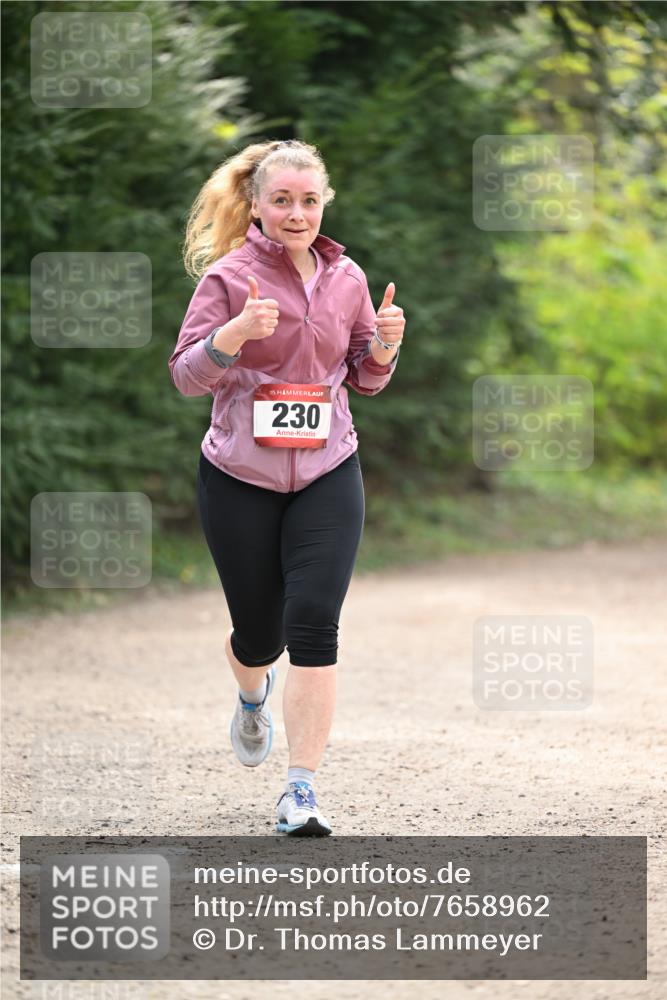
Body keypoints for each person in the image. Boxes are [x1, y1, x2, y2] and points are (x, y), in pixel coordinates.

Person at [168, 139, 405, 836]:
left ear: (323, 202)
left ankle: (299, 791)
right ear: (258, 205)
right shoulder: (227, 277)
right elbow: (185, 375)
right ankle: (250, 696)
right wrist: (234, 335)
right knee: (259, 633)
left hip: (330, 470)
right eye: (281, 200)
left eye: (308, 200)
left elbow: (363, 375)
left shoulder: (348, 278)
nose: (296, 213)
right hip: (240, 475)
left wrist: (385, 345)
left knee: (314, 623)